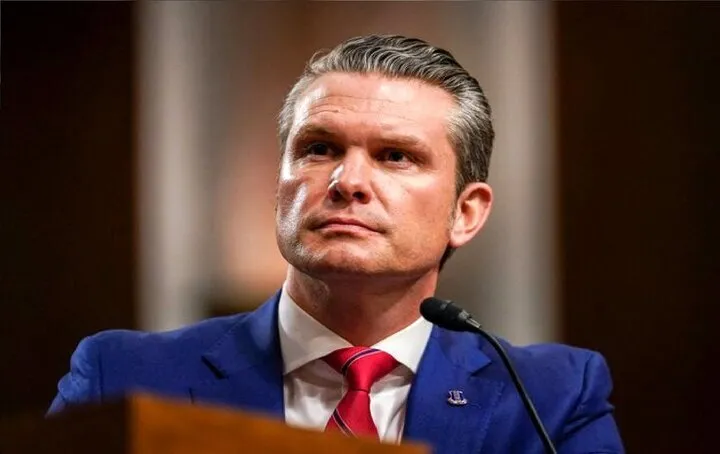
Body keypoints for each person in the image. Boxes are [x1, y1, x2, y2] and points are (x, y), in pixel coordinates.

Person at [48, 34, 624, 453]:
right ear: (279, 185)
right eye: (319, 149)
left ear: (465, 213)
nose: (348, 182)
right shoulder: (121, 376)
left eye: (395, 156)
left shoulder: (550, 398)